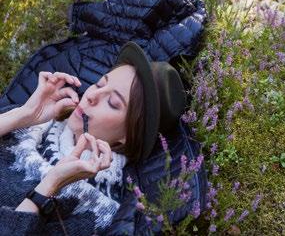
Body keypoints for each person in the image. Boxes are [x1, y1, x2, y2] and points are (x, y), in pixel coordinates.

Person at [0, 41, 186, 235]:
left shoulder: (97, 209)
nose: (91, 95)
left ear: (127, 136)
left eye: (113, 103)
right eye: (100, 83)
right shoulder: (36, 123)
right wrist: (23, 115)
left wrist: (50, 185)